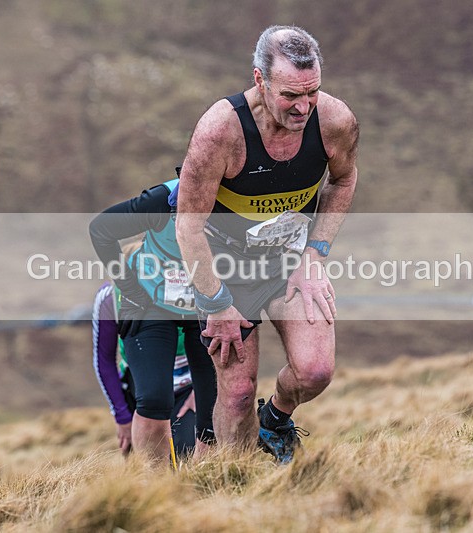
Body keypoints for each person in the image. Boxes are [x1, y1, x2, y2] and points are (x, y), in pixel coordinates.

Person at [175, 25, 359, 463]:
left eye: (311, 92)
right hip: (225, 271)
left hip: (288, 262)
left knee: (315, 371)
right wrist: (217, 304)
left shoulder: (334, 121)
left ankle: (275, 420)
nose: (303, 107)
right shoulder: (221, 132)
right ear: (260, 80)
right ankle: (238, 485)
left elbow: (344, 179)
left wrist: (314, 256)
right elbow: (188, 226)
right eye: (290, 95)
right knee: (237, 394)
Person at [89, 179, 218, 465]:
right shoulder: (114, 295)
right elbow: (104, 360)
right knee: (153, 407)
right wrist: (122, 416)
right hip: (144, 379)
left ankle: (210, 478)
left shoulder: (236, 201)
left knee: (198, 433)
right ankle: (156, 488)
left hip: (187, 383)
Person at [92, 280, 198, 459]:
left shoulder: (191, 283)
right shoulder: (110, 296)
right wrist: (123, 417)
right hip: (140, 392)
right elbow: (104, 361)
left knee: (186, 459)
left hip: (189, 386)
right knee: (145, 469)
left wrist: (202, 392)